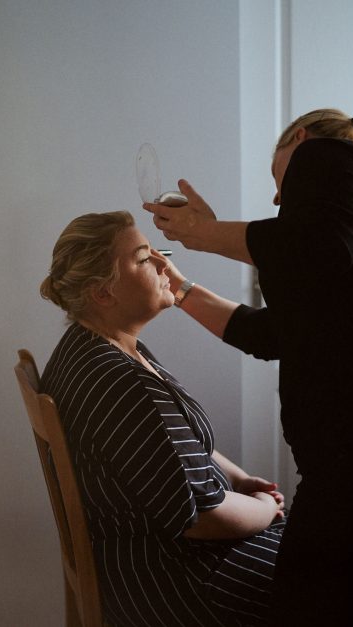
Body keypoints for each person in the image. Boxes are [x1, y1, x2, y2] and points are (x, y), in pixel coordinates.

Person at [143, 103, 353, 626]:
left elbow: (318, 246)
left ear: (297, 138)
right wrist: (182, 288)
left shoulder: (327, 153)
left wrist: (203, 233)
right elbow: (272, 334)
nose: (279, 197)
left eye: (279, 178)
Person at [40, 211, 287, 627]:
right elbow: (203, 519)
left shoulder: (96, 348)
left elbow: (177, 444)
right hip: (176, 580)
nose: (162, 262)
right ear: (103, 293)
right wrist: (265, 508)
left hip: (146, 560)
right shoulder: (120, 381)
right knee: (336, 582)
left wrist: (240, 480)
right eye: (142, 258)